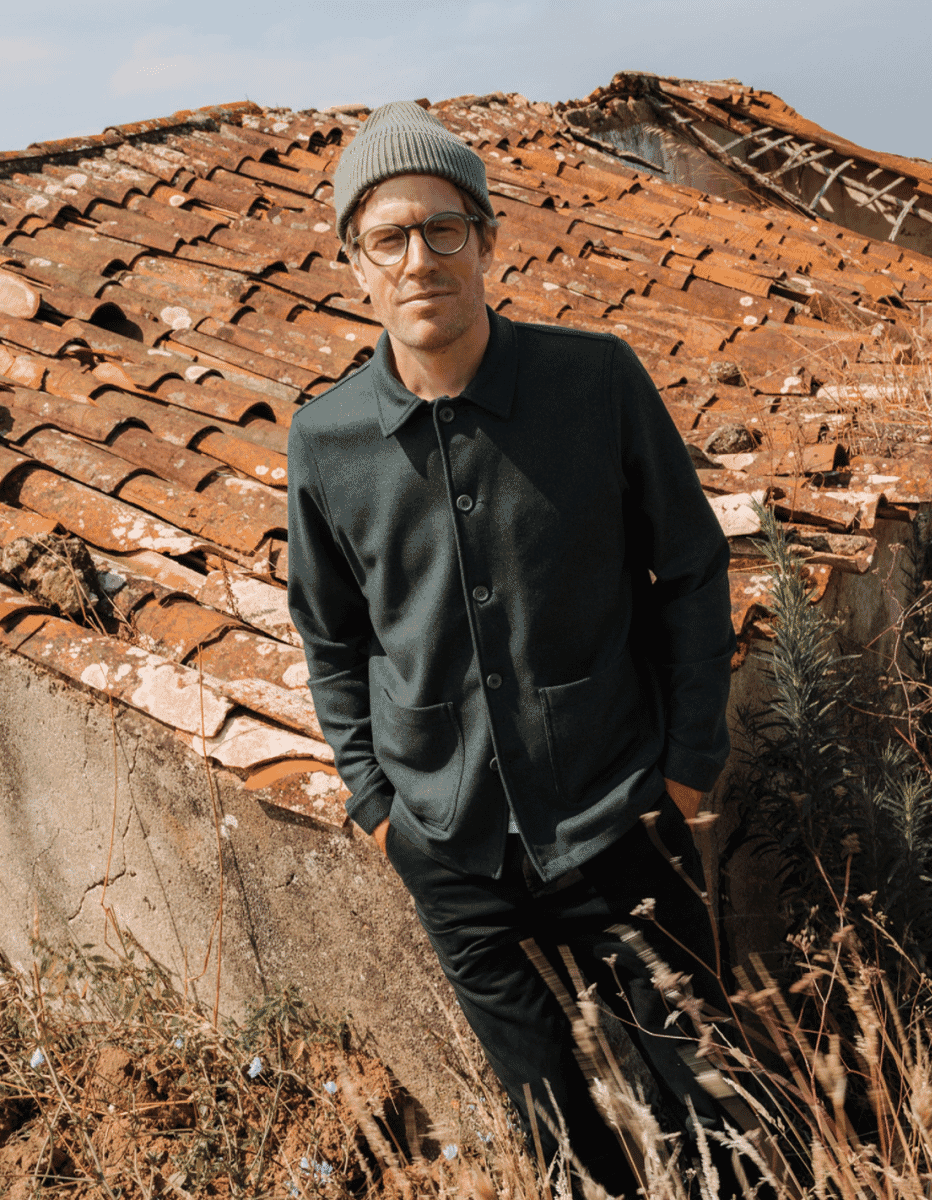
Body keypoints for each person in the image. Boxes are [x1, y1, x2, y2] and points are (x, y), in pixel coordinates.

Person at [287, 101, 737, 1197]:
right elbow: (329, 633)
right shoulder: (326, 439)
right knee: (554, 1140)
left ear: (488, 240)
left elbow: (687, 569)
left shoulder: (597, 383)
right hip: (451, 848)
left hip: (615, 813)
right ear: (354, 265)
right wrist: (374, 804)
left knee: (719, 1108)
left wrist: (683, 767)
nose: (417, 257)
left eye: (443, 229)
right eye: (386, 237)